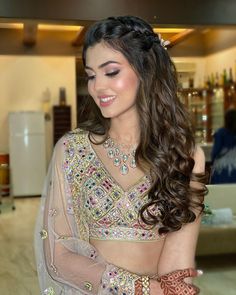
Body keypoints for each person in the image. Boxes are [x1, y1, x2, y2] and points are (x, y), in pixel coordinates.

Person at [35, 16, 208, 295]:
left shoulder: (184, 156)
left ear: (146, 71)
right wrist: (143, 288)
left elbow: (177, 265)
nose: (97, 86)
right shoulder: (73, 151)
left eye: (111, 72)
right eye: (91, 75)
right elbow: (59, 258)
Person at [210, 108, 236, 184]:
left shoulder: (221, 132)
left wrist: (213, 161)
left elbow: (215, 151)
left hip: (222, 167)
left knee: (221, 191)